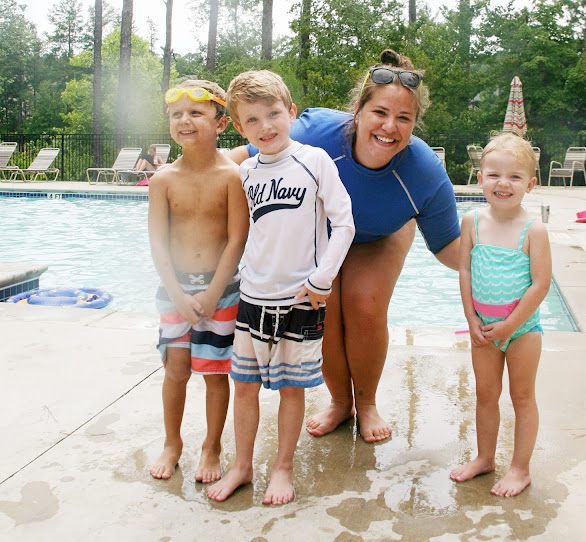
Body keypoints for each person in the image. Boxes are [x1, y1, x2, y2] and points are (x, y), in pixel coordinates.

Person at [227, 49, 460, 443]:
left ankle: (366, 404)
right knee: (322, 303)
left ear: (414, 124)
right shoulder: (316, 136)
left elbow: (449, 246)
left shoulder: (425, 173)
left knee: (365, 303)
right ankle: (340, 402)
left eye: (404, 118)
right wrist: (188, 178)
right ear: (358, 111)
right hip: (326, 232)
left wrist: (498, 258)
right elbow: (241, 158)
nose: (389, 127)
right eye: (379, 112)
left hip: (382, 234)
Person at [207, 70, 355, 505]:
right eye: (252, 120)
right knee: (244, 386)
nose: (265, 126)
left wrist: (322, 279)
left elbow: (344, 223)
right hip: (252, 297)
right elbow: (239, 233)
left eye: (273, 114)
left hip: (300, 299)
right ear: (239, 127)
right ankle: (242, 466)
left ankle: (283, 468)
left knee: (293, 388)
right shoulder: (244, 172)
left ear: (291, 112)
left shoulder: (315, 161)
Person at [148, 79, 249, 483]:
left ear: (221, 123)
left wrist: (212, 292)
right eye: (176, 114)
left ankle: (212, 446)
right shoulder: (163, 180)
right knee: (176, 370)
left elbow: (237, 239)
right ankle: (172, 443)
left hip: (221, 290)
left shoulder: (232, 176)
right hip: (174, 290)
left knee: (215, 372)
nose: (184, 120)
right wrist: (176, 293)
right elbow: (157, 242)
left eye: (195, 113)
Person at [450, 132, 551, 497]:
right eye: (494, 174)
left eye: (514, 176)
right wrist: (471, 318)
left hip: (522, 330)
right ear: (480, 179)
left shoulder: (533, 229)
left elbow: (541, 284)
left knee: (522, 398)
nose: (503, 183)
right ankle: (484, 458)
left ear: (530, 184)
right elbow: (464, 270)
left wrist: (510, 325)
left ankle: (520, 469)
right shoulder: (472, 222)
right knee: (485, 395)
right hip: (483, 329)